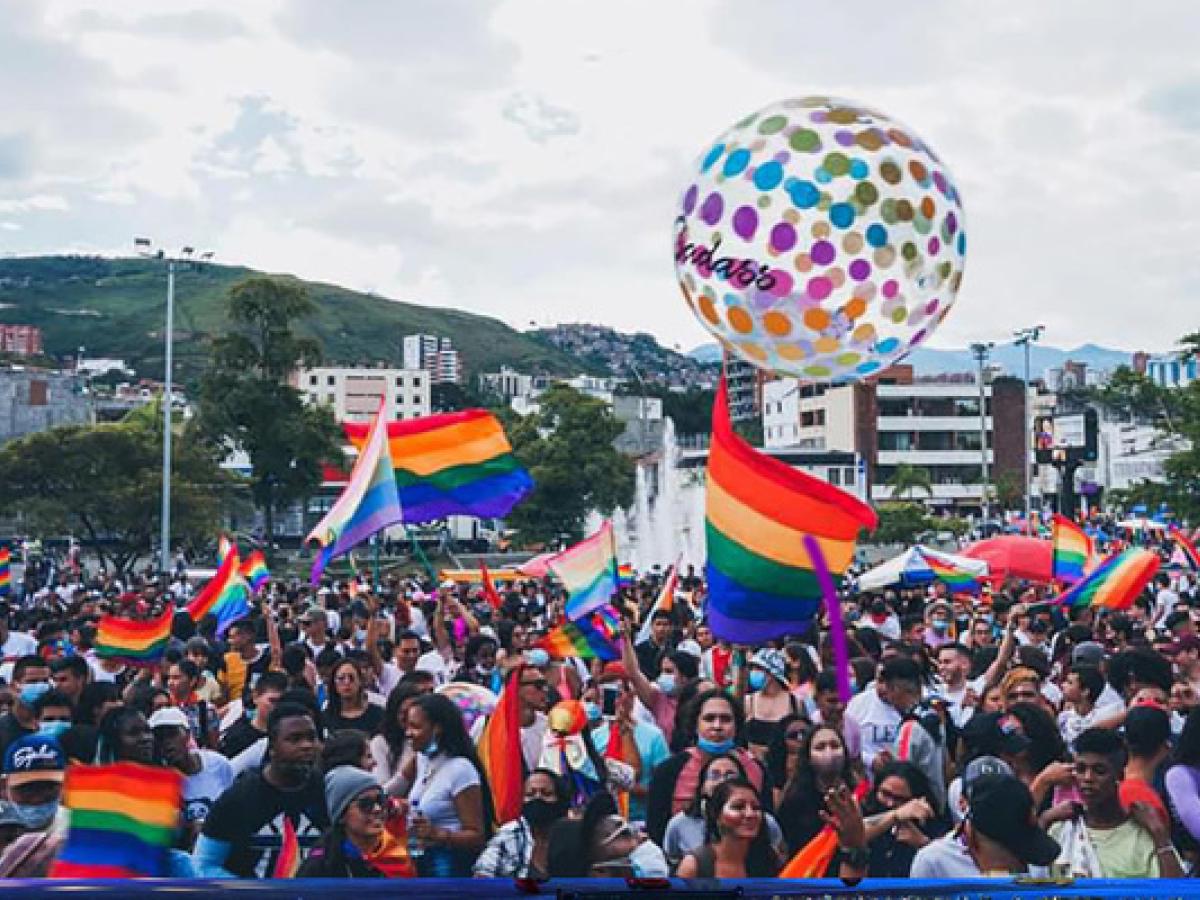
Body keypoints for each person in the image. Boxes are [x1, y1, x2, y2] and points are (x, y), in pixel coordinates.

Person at [194, 702, 329, 878]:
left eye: (312, 738)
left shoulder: (327, 791)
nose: (306, 746)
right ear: (272, 747)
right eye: (295, 739)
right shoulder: (238, 799)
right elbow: (203, 865)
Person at [1043, 727, 1183, 878]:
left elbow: (1175, 891)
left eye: (1099, 771)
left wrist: (1159, 833)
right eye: (1081, 769)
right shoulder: (1061, 830)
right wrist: (1043, 821)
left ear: (1119, 775)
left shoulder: (1144, 835)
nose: (1087, 778)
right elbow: (1030, 880)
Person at [645, 689, 767, 846]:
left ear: (737, 726)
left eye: (725, 719)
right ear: (696, 725)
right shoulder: (669, 771)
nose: (717, 726)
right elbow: (657, 831)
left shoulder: (756, 769)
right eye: (709, 719)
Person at [405, 692, 491, 876]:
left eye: (415, 727)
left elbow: (477, 836)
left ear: (437, 729)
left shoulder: (461, 769)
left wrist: (438, 834)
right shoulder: (422, 759)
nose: (408, 733)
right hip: (421, 862)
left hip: (449, 867)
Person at [911, 773, 1060, 878]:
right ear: (973, 838)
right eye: (1017, 852)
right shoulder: (933, 862)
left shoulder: (1037, 862)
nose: (1022, 863)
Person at [662, 751, 784, 870]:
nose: (722, 780)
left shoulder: (764, 821)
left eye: (730, 775)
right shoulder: (679, 824)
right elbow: (671, 862)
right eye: (714, 775)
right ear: (703, 785)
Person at [587, 663, 670, 822]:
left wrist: (635, 790)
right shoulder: (595, 737)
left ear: (631, 696)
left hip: (642, 819)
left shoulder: (653, 735)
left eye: (617, 694)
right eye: (604, 696)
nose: (612, 701)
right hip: (605, 820)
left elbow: (664, 786)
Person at [298, 766, 414, 878]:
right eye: (365, 804)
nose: (377, 809)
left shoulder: (397, 853)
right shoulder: (321, 865)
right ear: (342, 815)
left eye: (380, 800)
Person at [150, 706, 233, 847]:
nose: (167, 743)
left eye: (172, 734)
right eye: (160, 738)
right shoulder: (158, 781)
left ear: (187, 735)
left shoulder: (218, 764)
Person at [777, 723, 858, 860]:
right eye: (820, 747)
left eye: (835, 746)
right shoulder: (794, 800)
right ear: (808, 757)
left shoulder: (859, 794)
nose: (829, 752)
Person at [473, 768, 570, 879]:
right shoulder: (509, 833)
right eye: (530, 794)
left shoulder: (572, 835)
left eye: (546, 793)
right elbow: (482, 874)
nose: (537, 798)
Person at [676, 778, 781, 878]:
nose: (750, 814)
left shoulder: (770, 860)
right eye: (738, 807)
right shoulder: (694, 865)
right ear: (717, 815)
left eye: (756, 808)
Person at [861, 760, 945, 876]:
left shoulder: (930, 823)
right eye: (886, 794)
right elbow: (852, 834)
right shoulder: (865, 810)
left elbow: (946, 864)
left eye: (899, 799)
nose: (890, 803)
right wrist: (895, 816)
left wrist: (922, 843)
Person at [0, 735, 66, 876]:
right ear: (5, 787)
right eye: (27, 790)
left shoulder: (78, 829)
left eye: (48, 788)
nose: (37, 799)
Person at [741, 648, 801, 761]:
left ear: (772, 673)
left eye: (759, 668)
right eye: (753, 668)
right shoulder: (749, 701)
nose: (754, 672)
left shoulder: (795, 702)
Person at [370, 683, 423, 796]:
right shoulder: (380, 743)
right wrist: (406, 774)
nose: (410, 718)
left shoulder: (427, 741)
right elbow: (381, 792)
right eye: (404, 713)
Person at [220, 671, 287, 759]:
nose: (277, 707)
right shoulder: (236, 737)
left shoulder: (290, 735)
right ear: (255, 697)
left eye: (283, 701)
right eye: (272, 701)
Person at [0, 656, 51, 757]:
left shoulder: (53, 724)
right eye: (33, 681)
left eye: (45, 681)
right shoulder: (2, 730)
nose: (40, 687)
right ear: (14, 686)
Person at [324, 659, 384, 736]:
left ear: (360, 681)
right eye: (341, 678)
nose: (347, 682)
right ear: (333, 683)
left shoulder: (378, 714)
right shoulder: (326, 717)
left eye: (351, 678)